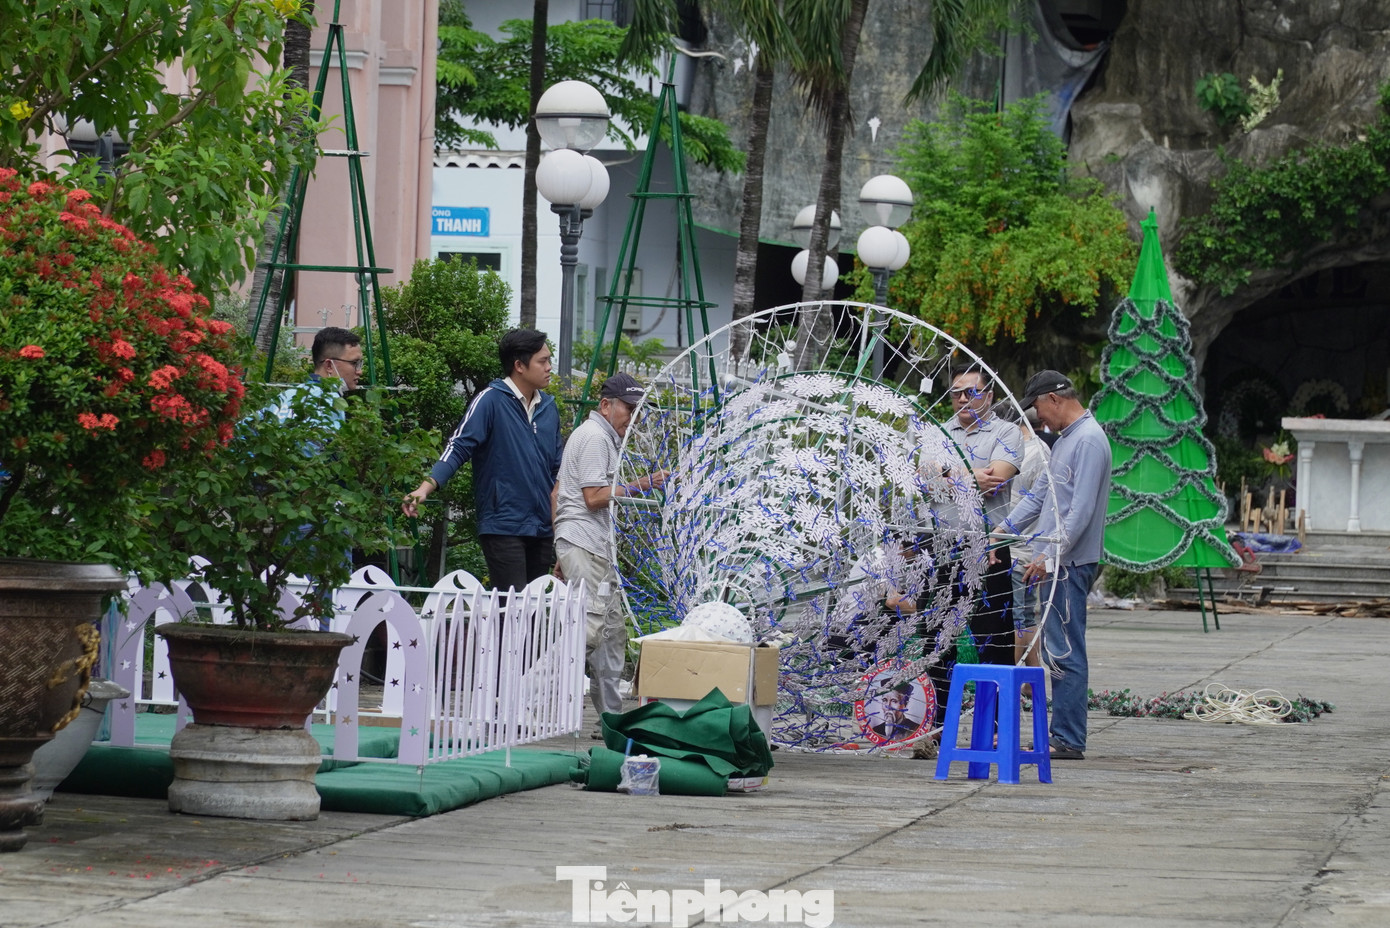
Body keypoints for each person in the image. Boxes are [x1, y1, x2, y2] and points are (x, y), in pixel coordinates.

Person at [1002, 370, 1112, 761]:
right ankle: (1061, 734)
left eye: (1037, 409)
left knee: (1065, 651)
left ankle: (1067, 739)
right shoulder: (1064, 441)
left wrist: (1049, 558)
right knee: (1054, 649)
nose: (1038, 419)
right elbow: (1039, 497)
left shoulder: (1090, 441)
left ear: (1054, 398)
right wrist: (1002, 532)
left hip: (1070, 563)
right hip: (1052, 561)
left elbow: (1079, 513)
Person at [402, 329, 563, 594]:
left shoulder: (548, 407)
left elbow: (558, 467)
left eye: (549, 360)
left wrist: (560, 526)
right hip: (503, 524)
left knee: (533, 613)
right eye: (542, 361)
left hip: (543, 528)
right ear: (519, 366)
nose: (549, 367)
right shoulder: (490, 400)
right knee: (511, 609)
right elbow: (458, 446)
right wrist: (425, 488)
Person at [552, 373, 666, 729]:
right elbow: (594, 497)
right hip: (586, 542)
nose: (632, 418)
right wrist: (641, 485)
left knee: (611, 634)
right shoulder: (594, 437)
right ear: (605, 405)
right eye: (628, 409)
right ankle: (526, 700)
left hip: (588, 544)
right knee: (587, 630)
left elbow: (559, 493)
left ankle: (611, 720)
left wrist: (562, 544)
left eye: (636, 411)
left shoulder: (604, 438)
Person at [942, 365, 1022, 667]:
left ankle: (998, 714)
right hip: (942, 547)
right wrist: (967, 476)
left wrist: (947, 477)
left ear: (988, 395)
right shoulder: (939, 434)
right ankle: (938, 714)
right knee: (938, 640)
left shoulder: (1007, 432)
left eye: (971, 392)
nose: (963, 399)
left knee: (994, 638)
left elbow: (995, 480)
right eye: (956, 393)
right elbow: (923, 479)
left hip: (989, 547)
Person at [993, 402, 1051, 683]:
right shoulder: (1033, 450)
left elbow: (1035, 503)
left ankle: (1013, 680)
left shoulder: (1031, 453)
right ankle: (1029, 679)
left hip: (1021, 546)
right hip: (1015, 543)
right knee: (1024, 613)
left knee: (1020, 615)